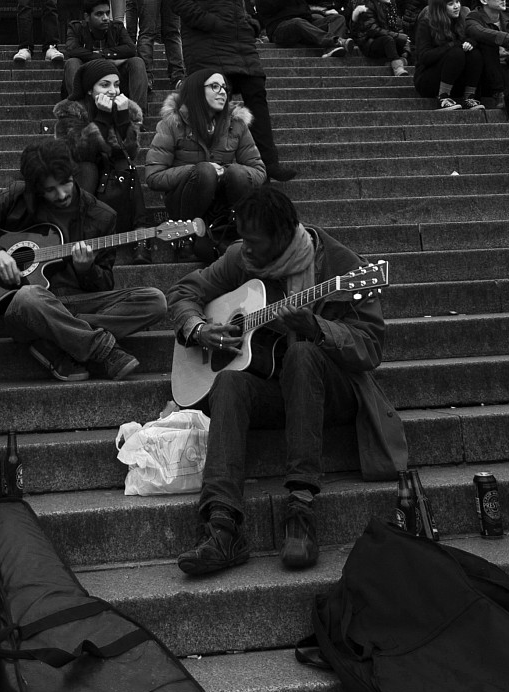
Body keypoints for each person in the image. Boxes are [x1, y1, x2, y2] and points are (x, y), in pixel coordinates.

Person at [170, 186, 407, 576]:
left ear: (282, 237)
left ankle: (300, 508)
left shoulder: (345, 267)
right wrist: (198, 329)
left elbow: (370, 348)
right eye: (241, 238)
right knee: (228, 383)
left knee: (302, 352)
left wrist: (316, 327)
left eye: (253, 242)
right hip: (275, 390)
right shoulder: (241, 259)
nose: (244, 249)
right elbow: (184, 292)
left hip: (332, 391)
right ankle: (223, 525)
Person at [0, 136, 162, 382]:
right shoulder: (17, 197)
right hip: (25, 304)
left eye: (66, 183)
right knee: (28, 296)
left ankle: (55, 336)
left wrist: (86, 270)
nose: (62, 194)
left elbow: (105, 284)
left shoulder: (102, 216)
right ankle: (103, 349)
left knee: (155, 300)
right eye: (50, 189)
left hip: (74, 301)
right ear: (36, 187)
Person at [168, 0, 293, 181]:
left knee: (256, 97)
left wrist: (250, 22)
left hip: (240, 43)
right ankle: (213, 171)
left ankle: (267, 162)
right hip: (207, 45)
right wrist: (210, 22)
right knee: (213, 107)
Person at [145, 69, 266, 232]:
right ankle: (185, 236)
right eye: (215, 86)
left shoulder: (236, 123)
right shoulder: (172, 123)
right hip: (185, 202)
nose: (222, 92)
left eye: (224, 87)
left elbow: (259, 171)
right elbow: (153, 177)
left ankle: (234, 230)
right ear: (196, 90)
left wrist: (225, 171)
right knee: (205, 171)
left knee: (237, 173)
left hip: (222, 202)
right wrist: (195, 171)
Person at [56, 73, 145, 230]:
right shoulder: (71, 111)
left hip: (110, 176)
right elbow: (80, 153)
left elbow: (130, 152)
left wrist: (123, 119)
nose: (113, 91)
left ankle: (142, 234)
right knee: (88, 168)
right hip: (79, 175)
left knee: (125, 163)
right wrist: (102, 118)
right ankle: (80, 231)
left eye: (117, 85)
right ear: (90, 90)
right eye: (105, 85)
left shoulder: (125, 109)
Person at [409, 0, 492, 111]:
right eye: (451, 4)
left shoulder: (461, 20)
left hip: (455, 80)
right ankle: (443, 98)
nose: (456, 7)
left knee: (473, 53)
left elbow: (471, 39)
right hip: (428, 80)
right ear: (440, 7)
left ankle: (469, 97)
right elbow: (424, 57)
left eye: (457, 2)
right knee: (456, 53)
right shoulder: (427, 24)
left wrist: (470, 43)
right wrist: (452, 46)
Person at [58, 0, 149, 105]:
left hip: (115, 81)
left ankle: (137, 116)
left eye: (107, 13)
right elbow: (72, 50)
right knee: (72, 62)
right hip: (88, 80)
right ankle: (81, 114)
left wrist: (104, 54)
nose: (105, 18)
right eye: (99, 14)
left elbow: (131, 49)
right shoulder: (76, 28)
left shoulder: (117, 27)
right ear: (87, 17)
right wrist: (102, 60)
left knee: (137, 62)